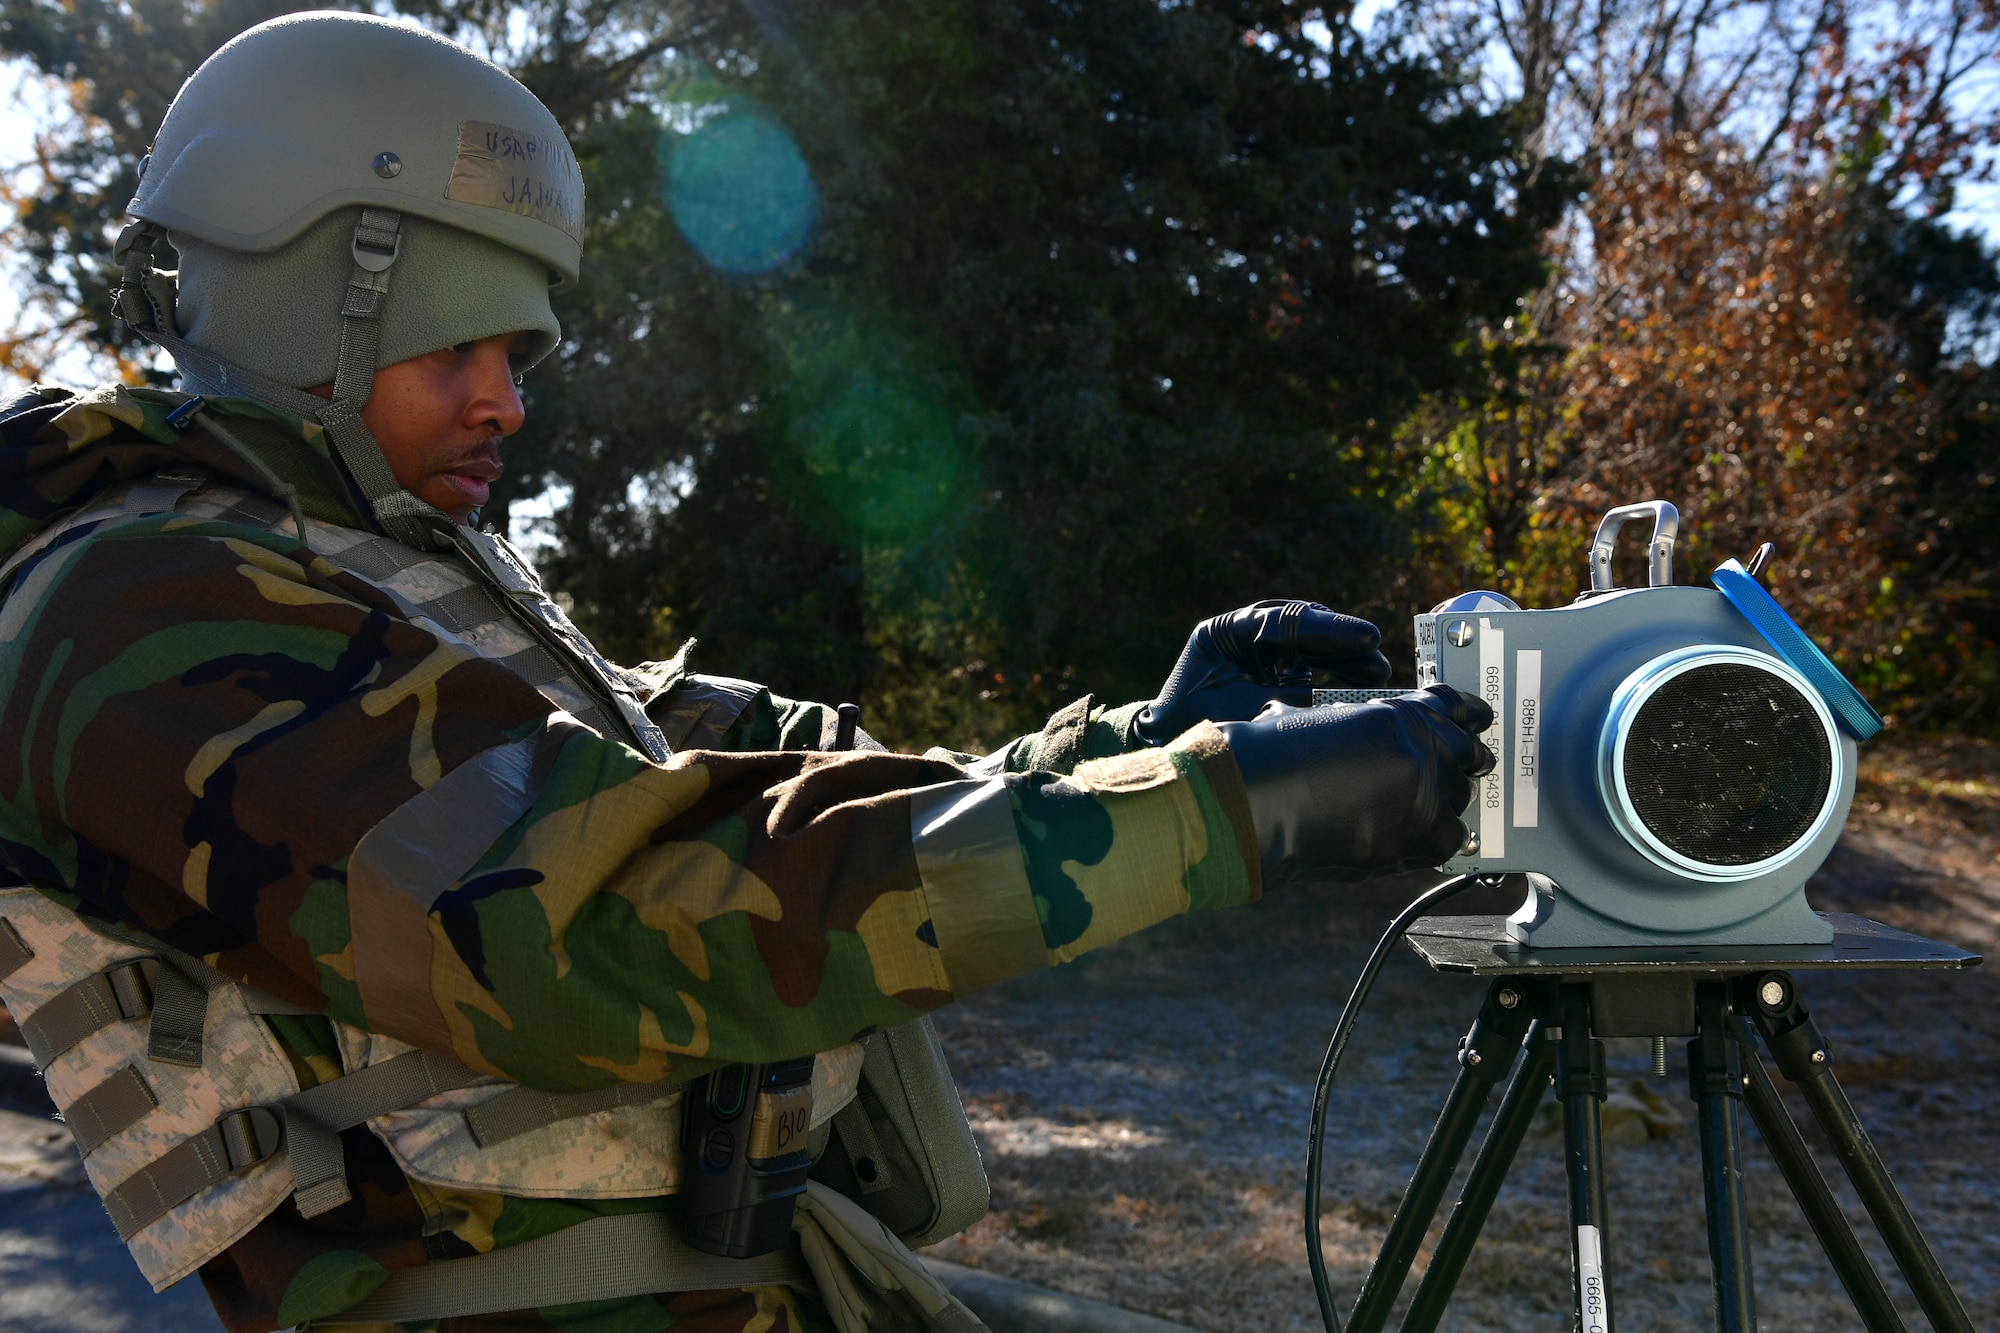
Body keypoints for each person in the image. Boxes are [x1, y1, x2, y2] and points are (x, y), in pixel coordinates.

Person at [0, 13, 1493, 1333]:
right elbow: (599, 914)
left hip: (746, 1278)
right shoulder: (136, 613)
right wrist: (1221, 809)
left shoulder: (385, 579)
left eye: (524, 355)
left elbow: (761, 782)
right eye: (463, 341)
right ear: (323, 277)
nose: (508, 404)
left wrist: (1131, 736)